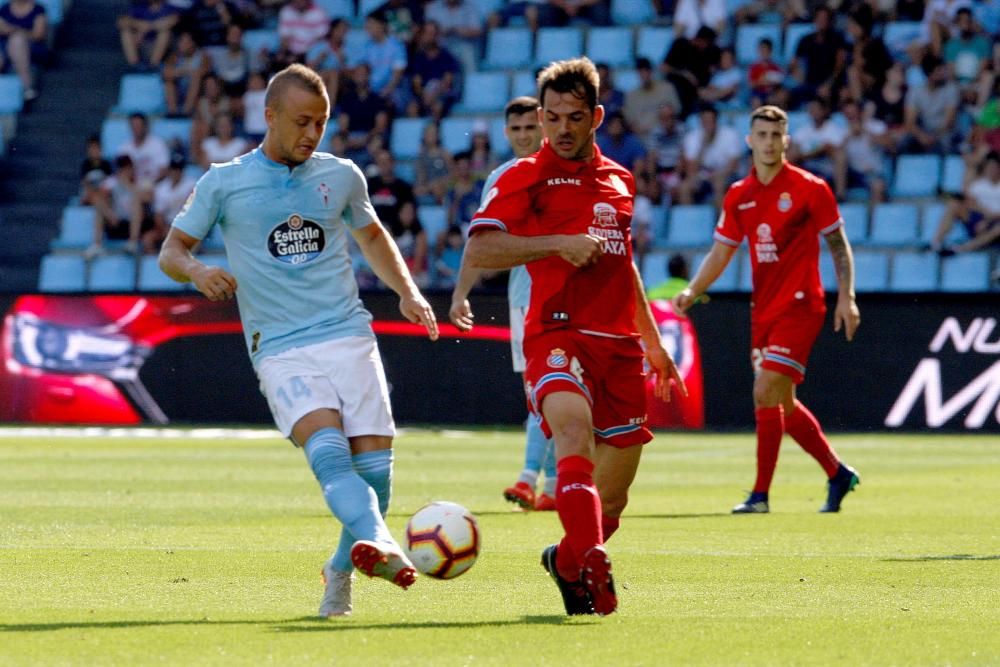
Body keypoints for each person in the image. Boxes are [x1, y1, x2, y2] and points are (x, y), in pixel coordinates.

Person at [158, 63, 439, 618]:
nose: (313, 133)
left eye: (321, 122)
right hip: (280, 347)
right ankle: (381, 543)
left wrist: (408, 292)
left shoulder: (342, 176)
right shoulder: (224, 182)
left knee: (376, 479)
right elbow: (172, 250)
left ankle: (340, 569)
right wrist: (198, 271)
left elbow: (372, 236)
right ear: (270, 116)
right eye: (302, 121)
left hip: (348, 334)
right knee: (329, 454)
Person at [464, 58, 686, 616]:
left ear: (597, 117)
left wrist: (652, 341)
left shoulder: (620, 180)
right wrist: (556, 243)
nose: (562, 128)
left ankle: (565, 561)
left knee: (614, 499)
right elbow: (481, 249)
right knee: (571, 432)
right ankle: (591, 560)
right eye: (553, 116)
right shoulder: (523, 176)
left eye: (575, 117)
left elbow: (622, 263)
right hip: (554, 332)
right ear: (541, 116)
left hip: (619, 345)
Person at [672, 105, 862, 515]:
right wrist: (692, 290)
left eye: (776, 135)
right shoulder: (739, 195)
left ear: (786, 140)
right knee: (783, 404)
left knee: (764, 391)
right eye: (762, 135)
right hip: (764, 311)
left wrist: (846, 296)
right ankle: (837, 473)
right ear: (750, 140)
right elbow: (721, 252)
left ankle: (760, 496)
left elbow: (837, 244)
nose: (770, 142)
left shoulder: (810, 188)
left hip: (801, 305)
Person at [449, 96, 558, 512]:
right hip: (524, 297)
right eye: (517, 129)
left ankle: (532, 478)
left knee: (553, 390)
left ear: (544, 127)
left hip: (564, 295)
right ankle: (552, 486)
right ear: (507, 132)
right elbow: (481, 239)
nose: (524, 136)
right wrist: (460, 293)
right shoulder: (502, 176)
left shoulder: (564, 171)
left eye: (531, 127)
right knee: (540, 391)